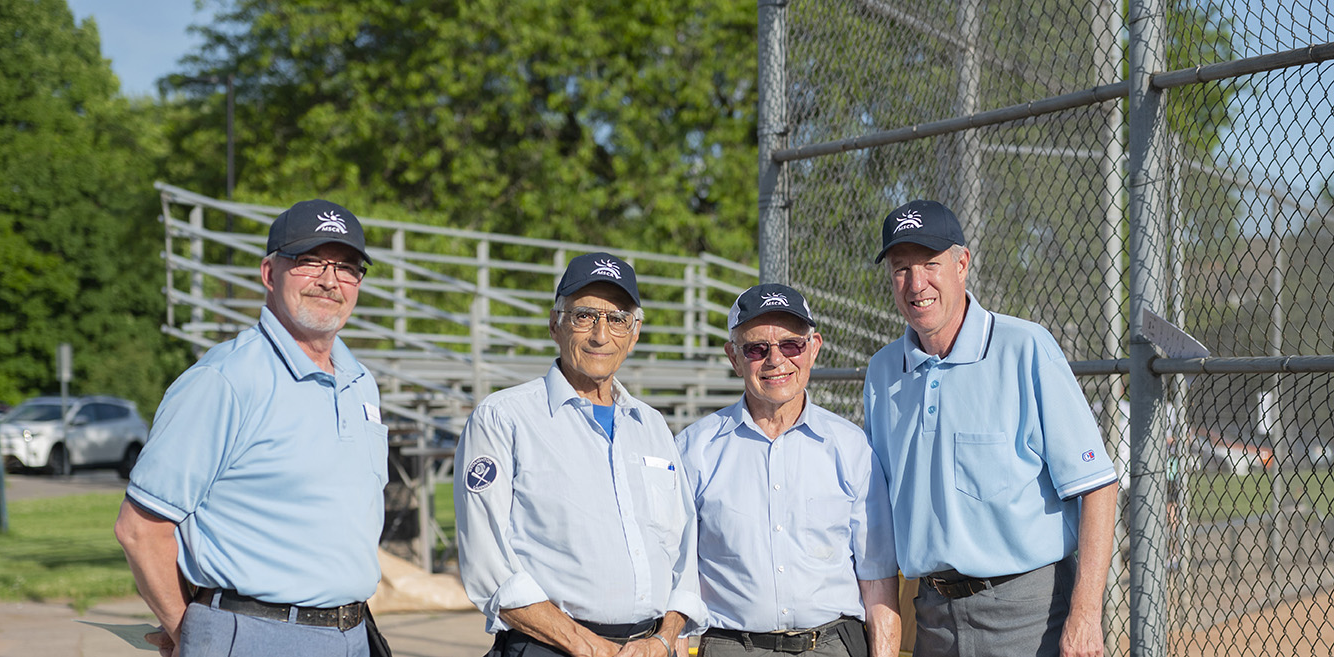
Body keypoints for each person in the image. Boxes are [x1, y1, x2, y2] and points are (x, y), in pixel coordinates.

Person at [114, 199, 387, 657]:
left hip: (354, 633)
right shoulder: (225, 380)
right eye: (308, 262)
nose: (329, 280)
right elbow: (141, 528)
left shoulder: (362, 383)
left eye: (346, 267)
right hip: (253, 634)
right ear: (268, 273)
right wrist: (189, 633)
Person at [863, 200, 1119, 657]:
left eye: (930, 264)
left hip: (1028, 615)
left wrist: (1085, 615)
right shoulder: (883, 372)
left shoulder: (1025, 348)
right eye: (901, 268)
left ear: (962, 264)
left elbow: (1097, 486)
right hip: (933, 617)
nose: (916, 284)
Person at [454, 252, 706, 657]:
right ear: (555, 324)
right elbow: (489, 566)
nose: (601, 335)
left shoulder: (653, 425)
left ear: (635, 331)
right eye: (584, 316)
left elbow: (683, 554)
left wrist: (664, 637)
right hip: (551, 648)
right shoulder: (504, 417)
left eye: (617, 318)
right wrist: (587, 647)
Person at [675, 283, 900, 657]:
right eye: (757, 349)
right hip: (733, 645)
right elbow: (679, 581)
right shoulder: (695, 450)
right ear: (734, 357)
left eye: (792, 345)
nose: (776, 361)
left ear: (813, 349)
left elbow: (877, 582)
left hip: (832, 645)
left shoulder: (850, 446)